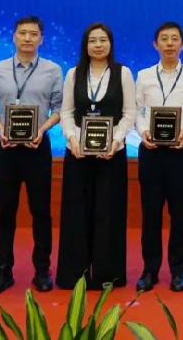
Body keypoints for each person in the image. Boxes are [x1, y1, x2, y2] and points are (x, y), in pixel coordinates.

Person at [0, 16, 64, 294]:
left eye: (33, 34)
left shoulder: (53, 70)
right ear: (14, 36)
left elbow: (59, 109)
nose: (27, 38)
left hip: (38, 147)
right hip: (5, 148)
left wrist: (42, 129)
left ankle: (42, 269)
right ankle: (3, 270)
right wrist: (1, 128)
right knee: (5, 212)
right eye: (23, 33)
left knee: (41, 212)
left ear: (41, 39)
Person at [56, 22, 137, 290]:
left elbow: (129, 113)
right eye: (93, 40)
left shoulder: (123, 73)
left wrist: (116, 140)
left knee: (108, 214)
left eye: (103, 40)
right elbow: (67, 113)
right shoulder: (73, 73)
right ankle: (74, 276)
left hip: (112, 156)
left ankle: (107, 275)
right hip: (78, 154)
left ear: (110, 44)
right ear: (85, 45)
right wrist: (72, 139)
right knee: (76, 215)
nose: (98, 45)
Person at [134, 21, 183, 293]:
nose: (169, 44)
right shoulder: (144, 76)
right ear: (155, 45)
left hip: (182, 150)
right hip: (151, 152)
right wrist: (143, 131)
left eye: (174, 39)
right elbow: (136, 110)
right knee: (150, 213)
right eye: (164, 39)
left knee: (179, 212)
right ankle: (150, 270)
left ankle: (178, 271)